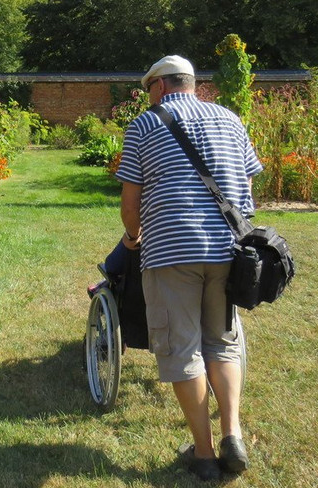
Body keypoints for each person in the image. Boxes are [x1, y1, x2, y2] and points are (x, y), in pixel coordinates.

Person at [116, 54, 263, 481]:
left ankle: (203, 453)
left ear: (159, 87)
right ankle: (232, 433)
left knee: (183, 348)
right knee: (221, 340)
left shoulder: (145, 124)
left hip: (171, 252)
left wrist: (133, 236)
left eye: (148, 91)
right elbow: (247, 186)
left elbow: (131, 201)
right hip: (228, 251)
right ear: (191, 84)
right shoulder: (230, 119)